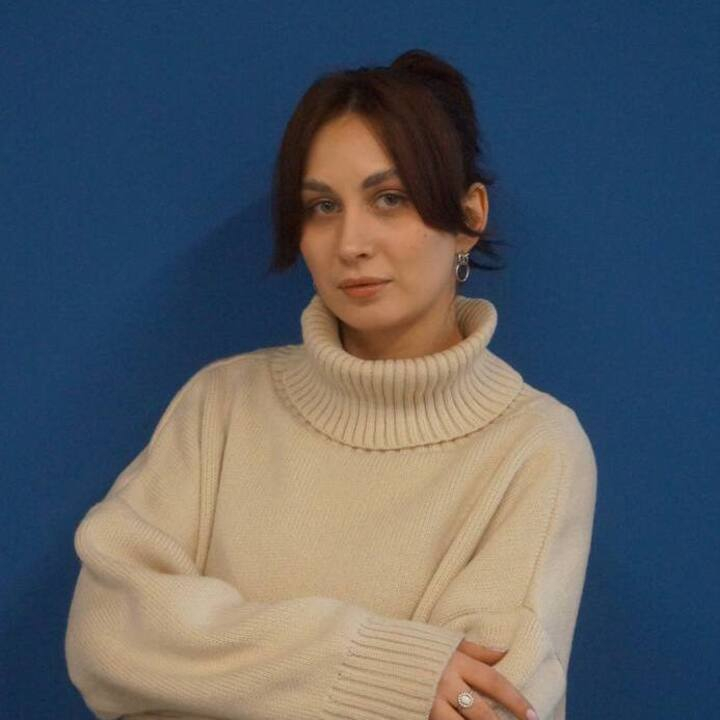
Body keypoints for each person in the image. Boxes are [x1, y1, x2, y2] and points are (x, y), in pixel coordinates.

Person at [65, 49, 597, 720]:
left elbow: (488, 706)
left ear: (469, 217)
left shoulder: (534, 446)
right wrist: (376, 669)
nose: (351, 242)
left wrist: (209, 669)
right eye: (322, 206)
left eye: (390, 199)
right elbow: (106, 633)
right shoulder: (221, 405)